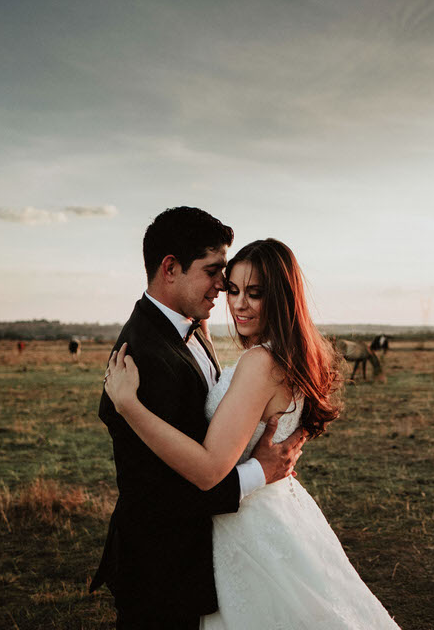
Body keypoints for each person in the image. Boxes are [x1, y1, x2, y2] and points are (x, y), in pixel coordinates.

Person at [104, 238, 400, 629]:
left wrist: (131, 407)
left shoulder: (260, 363)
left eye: (255, 293)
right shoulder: (289, 354)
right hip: (278, 508)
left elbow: (210, 468)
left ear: (281, 297)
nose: (239, 303)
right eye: (233, 290)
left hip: (248, 526)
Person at [90, 208, 305, 629]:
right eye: (214, 271)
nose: (223, 286)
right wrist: (259, 472)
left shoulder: (191, 328)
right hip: (161, 567)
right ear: (170, 268)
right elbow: (161, 492)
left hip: (207, 553)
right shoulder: (142, 357)